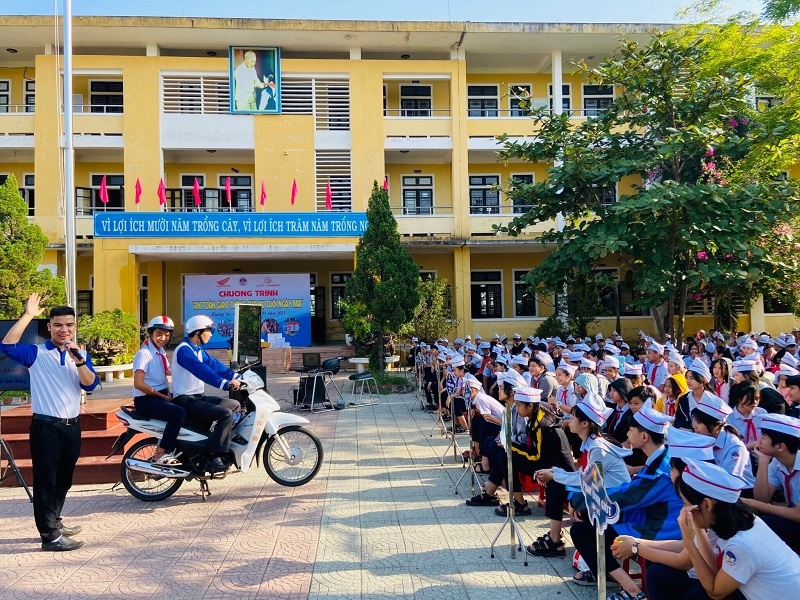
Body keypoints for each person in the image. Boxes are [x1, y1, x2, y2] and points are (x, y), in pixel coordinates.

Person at [0, 293, 99, 551]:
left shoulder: (81, 354)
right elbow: (7, 346)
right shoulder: (37, 353)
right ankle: (49, 536)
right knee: (46, 481)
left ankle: (55, 521)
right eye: (58, 325)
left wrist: (79, 360)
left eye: (69, 324)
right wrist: (28, 315)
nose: (64, 329)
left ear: (75, 326)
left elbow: (90, 384)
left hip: (72, 426)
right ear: (49, 326)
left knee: (64, 479)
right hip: (46, 427)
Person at [569, 400, 682, 596]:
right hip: (648, 517)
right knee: (590, 521)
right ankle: (614, 578)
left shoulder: (660, 472)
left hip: (660, 528)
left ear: (644, 436)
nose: (627, 434)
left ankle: (631, 590)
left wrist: (577, 500)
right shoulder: (661, 456)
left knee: (582, 531)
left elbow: (625, 496)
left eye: (630, 430)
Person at [677, 460, 800, 599]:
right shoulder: (742, 519)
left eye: (685, 504)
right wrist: (697, 528)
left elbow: (715, 592)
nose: (683, 510)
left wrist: (689, 542)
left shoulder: (741, 545)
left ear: (706, 505)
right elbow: (716, 570)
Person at [531, 391, 631, 558]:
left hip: (615, 501)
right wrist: (554, 472)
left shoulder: (598, 449)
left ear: (585, 423)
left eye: (572, 418)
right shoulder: (590, 443)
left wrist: (555, 475)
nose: (568, 420)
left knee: (557, 485)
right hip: (603, 493)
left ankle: (556, 540)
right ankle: (555, 537)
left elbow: (587, 479)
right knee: (556, 483)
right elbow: (585, 476)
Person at [171, 315, 242, 472]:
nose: (211, 334)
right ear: (198, 332)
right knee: (225, 414)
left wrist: (236, 376)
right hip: (186, 400)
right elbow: (201, 370)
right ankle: (216, 456)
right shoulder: (184, 350)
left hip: (198, 398)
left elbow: (214, 365)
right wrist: (224, 383)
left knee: (234, 405)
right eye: (209, 330)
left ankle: (214, 442)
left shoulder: (196, 350)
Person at [131, 316, 186, 465]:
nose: (163, 338)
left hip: (159, 396)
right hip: (146, 400)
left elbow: (163, 378)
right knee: (178, 413)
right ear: (151, 333)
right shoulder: (144, 354)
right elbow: (138, 384)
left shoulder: (160, 352)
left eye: (167, 335)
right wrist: (163, 397)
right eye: (159, 334)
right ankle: (161, 453)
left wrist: (168, 394)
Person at [742, 412, 800, 552]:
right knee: (749, 515)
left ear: (780, 447)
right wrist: (763, 462)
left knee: (765, 523)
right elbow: (762, 498)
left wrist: (751, 503)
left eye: (763, 438)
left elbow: (797, 515)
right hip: (793, 518)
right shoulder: (777, 462)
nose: (758, 441)